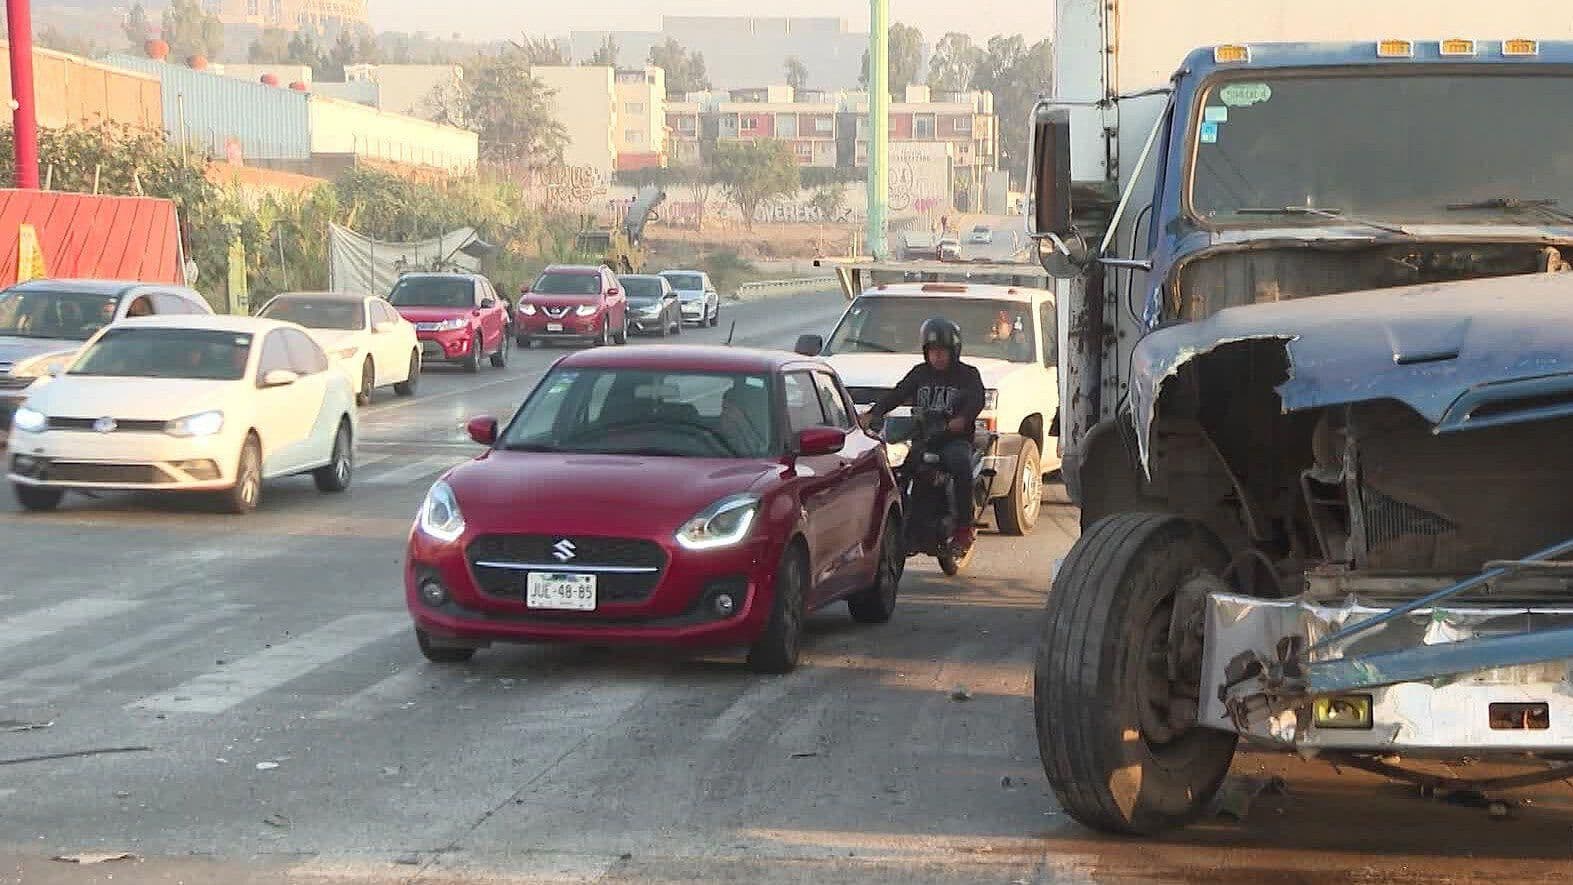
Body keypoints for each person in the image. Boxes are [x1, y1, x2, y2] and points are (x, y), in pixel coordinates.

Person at [859, 317, 985, 551]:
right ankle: (899, 527)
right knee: (899, 472)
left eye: (942, 351)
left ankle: (963, 530)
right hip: (924, 439)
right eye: (932, 351)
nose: (937, 356)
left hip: (954, 440)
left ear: (954, 351)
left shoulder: (968, 375)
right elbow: (897, 394)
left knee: (960, 466)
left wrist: (962, 419)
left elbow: (976, 399)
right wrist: (872, 414)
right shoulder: (919, 374)